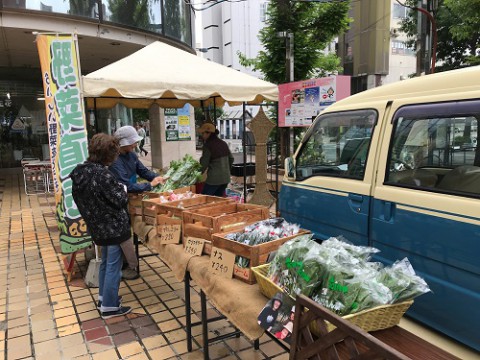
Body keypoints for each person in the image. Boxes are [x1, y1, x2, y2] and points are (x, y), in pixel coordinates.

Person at [70, 133, 132, 319]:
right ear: (109, 154)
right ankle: (110, 307)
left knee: (106, 262)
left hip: (96, 226)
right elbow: (120, 200)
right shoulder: (103, 175)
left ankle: (104, 298)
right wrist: (123, 190)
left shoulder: (80, 171)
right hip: (112, 227)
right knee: (113, 266)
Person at [109, 125, 164, 280]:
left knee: (127, 233)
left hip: (132, 198)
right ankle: (125, 266)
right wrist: (149, 185)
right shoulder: (114, 161)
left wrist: (156, 178)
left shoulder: (131, 155)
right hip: (120, 201)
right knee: (123, 235)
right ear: (122, 144)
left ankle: (127, 264)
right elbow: (126, 186)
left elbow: (143, 171)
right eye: (132, 143)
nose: (135, 145)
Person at [198, 123, 234, 197]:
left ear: (208, 133)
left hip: (214, 180)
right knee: (218, 199)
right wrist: (226, 170)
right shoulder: (223, 143)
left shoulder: (208, 145)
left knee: (204, 198)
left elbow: (204, 164)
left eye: (203, 133)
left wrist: (197, 175)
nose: (202, 135)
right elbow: (231, 158)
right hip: (225, 178)